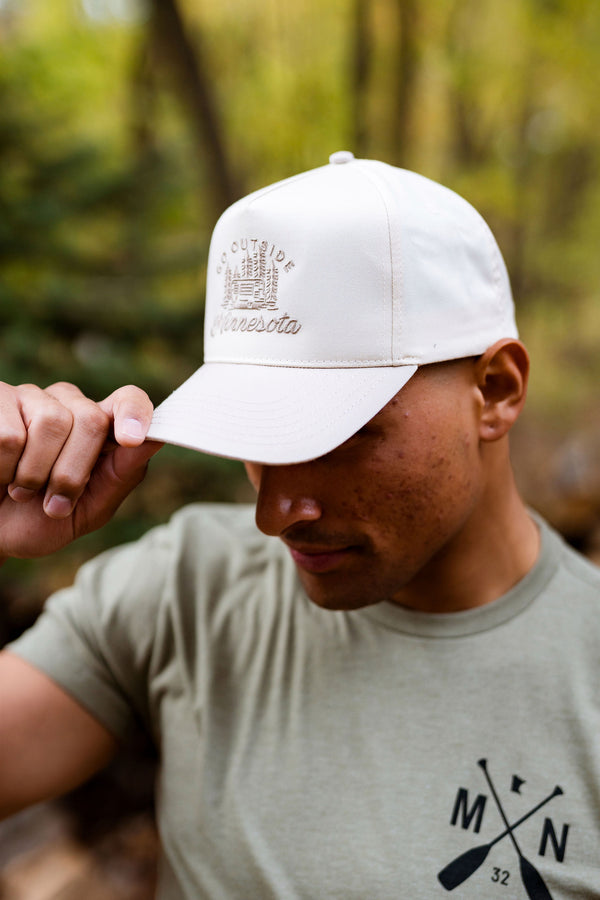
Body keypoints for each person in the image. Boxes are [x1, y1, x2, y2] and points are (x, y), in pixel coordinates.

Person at [0, 151, 598, 899]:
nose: (275, 514)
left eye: (339, 439)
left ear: (497, 389)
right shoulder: (187, 588)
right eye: (259, 437)